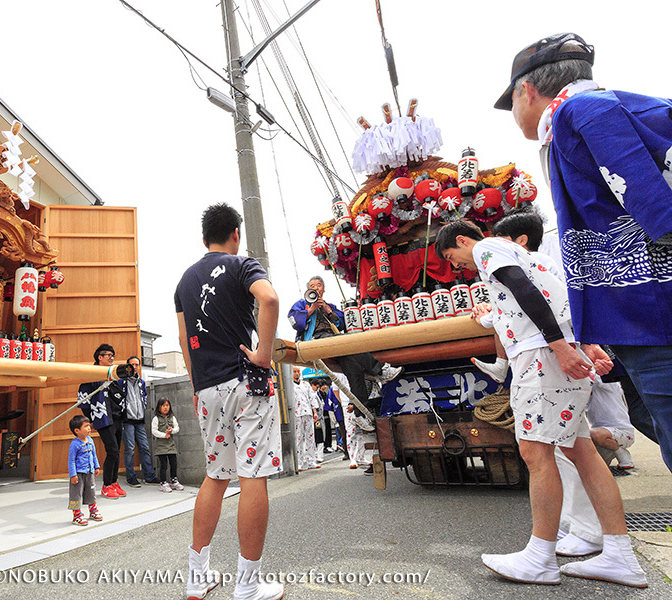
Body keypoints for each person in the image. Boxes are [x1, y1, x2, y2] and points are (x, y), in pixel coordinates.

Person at [495, 32, 672, 476]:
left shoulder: (584, 111)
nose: (516, 114)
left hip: (656, 315)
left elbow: (662, 214)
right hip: (639, 318)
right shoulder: (587, 115)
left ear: (525, 90)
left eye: (513, 102)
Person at [436, 219, 646, 588]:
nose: (456, 266)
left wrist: (562, 347)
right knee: (582, 452)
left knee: (535, 452)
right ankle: (619, 553)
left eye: (452, 256)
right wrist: (583, 343)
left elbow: (524, 291)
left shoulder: (487, 249)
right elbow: (558, 295)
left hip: (541, 357)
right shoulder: (529, 255)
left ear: (462, 239)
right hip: (553, 353)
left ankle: (539, 558)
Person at [175, 202, 283, 600]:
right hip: (245, 382)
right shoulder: (241, 265)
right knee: (253, 476)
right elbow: (269, 300)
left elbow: (184, 341)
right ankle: (248, 586)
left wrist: (196, 382)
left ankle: (196, 576)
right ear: (235, 234)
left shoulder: (185, 281)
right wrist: (264, 354)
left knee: (216, 476)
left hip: (207, 389)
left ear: (205, 238)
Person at [288, 276, 402, 415]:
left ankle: (360, 414)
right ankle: (380, 370)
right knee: (348, 341)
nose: (315, 288)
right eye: (312, 286)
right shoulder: (301, 304)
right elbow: (296, 322)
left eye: (318, 285)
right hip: (315, 340)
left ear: (323, 289)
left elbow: (341, 324)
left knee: (354, 370)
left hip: (333, 340)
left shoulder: (329, 306)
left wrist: (326, 309)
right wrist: (312, 308)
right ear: (308, 289)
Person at [78, 344, 128, 500]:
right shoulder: (91, 375)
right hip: (103, 417)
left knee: (117, 450)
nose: (112, 358)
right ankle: (106, 485)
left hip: (117, 417)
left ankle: (113, 482)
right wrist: (90, 420)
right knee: (112, 450)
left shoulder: (113, 375)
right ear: (100, 357)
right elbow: (83, 400)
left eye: (113, 355)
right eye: (108, 355)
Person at [121, 355, 159, 487]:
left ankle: (149, 476)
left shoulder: (141, 382)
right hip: (127, 420)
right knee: (130, 449)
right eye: (132, 364)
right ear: (127, 366)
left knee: (145, 448)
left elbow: (144, 399)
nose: (135, 367)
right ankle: (131, 477)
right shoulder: (121, 381)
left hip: (139, 420)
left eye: (137, 365)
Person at [68, 415, 102, 526]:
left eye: (89, 426)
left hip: (89, 472)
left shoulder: (91, 440)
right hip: (78, 473)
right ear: (77, 431)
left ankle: (93, 510)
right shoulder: (74, 444)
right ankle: (77, 515)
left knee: (91, 491)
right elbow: (71, 460)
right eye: (86, 426)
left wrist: (96, 466)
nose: (89, 428)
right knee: (76, 494)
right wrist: (73, 474)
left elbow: (94, 455)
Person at [151, 397, 184, 493]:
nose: (165, 407)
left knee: (174, 463)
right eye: (163, 405)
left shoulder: (172, 417)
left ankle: (174, 480)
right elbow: (154, 431)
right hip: (161, 446)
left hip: (171, 445)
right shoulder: (156, 418)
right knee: (163, 465)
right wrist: (164, 435)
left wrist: (171, 431)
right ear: (159, 407)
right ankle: (163, 483)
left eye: (167, 405)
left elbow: (177, 428)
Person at [292, 366, 320, 471]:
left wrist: (315, 412)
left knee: (310, 437)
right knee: (299, 438)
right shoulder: (290, 385)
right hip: (297, 414)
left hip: (307, 412)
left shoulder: (306, 384)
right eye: (294, 372)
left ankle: (311, 460)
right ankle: (299, 462)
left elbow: (311, 398)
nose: (297, 373)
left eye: (298, 371)